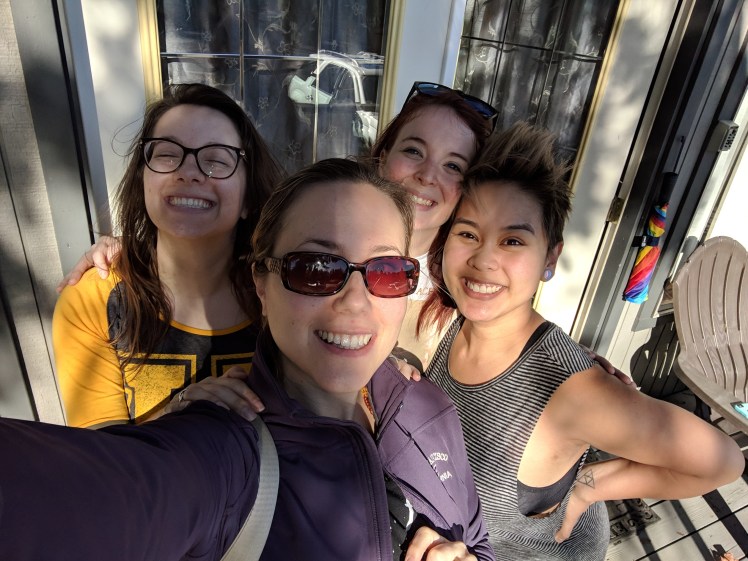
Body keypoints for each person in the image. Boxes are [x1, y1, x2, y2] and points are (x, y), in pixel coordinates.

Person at [0, 158, 494, 561]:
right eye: (315, 268)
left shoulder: (425, 404)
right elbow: (96, 498)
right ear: (261, 283)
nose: (355, 301)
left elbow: (480, 542)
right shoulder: (228, 455)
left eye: (386, 271)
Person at [418, 122, 745, 559]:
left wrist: (592, 487)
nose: (484, 259)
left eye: (513, 240)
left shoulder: (572, 389)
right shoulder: (454, 320)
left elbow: (723, 460)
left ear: (549, 258)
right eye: (468, 234)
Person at [58, 81, 497, 371]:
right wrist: (131, 248)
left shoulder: (467, 300)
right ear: (382, 156)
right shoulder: (297, 266)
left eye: (453, 165)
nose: (427, 175)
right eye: (414, 151)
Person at [53, 83, 282, 427]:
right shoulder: (93, 297)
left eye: (216, 160)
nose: (187, 172)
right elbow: (99, 451)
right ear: (142, 179)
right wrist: (181, 411)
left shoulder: (286, 291)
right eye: (167, 154)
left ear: (248, 196)